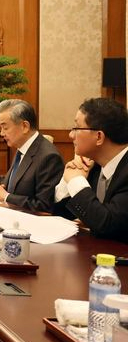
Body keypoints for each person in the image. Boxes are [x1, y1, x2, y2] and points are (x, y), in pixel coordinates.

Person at [54, 98, 128, 242]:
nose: (71, 135)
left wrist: (76, 181)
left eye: (77, 128)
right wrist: (68, 179)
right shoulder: (94, 164)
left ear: (99, 137)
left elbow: (106, 224)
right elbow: (60, 214)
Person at [0, 99, 63, 212]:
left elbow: (44, 206)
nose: (2, 133)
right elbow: (17, 184)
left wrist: (5, 196)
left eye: (5, 128)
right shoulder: (22, 148)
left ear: (25, 126)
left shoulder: (49, 157)